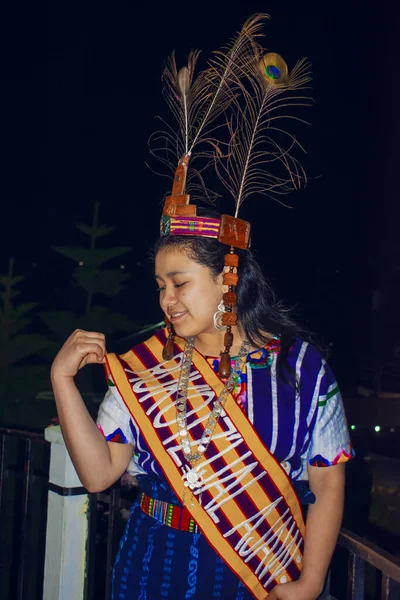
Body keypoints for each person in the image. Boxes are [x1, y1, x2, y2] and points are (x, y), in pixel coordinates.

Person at [50, 15, 353, 600]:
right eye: (161, 285)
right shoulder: (144, 365)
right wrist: (64, 380)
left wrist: (312, 581)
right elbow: (98, 474)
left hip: (256, 575)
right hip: (151, 566)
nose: (166, 299)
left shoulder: (301, 370)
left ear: (227, 280)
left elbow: (327, 478)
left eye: (180, 282)